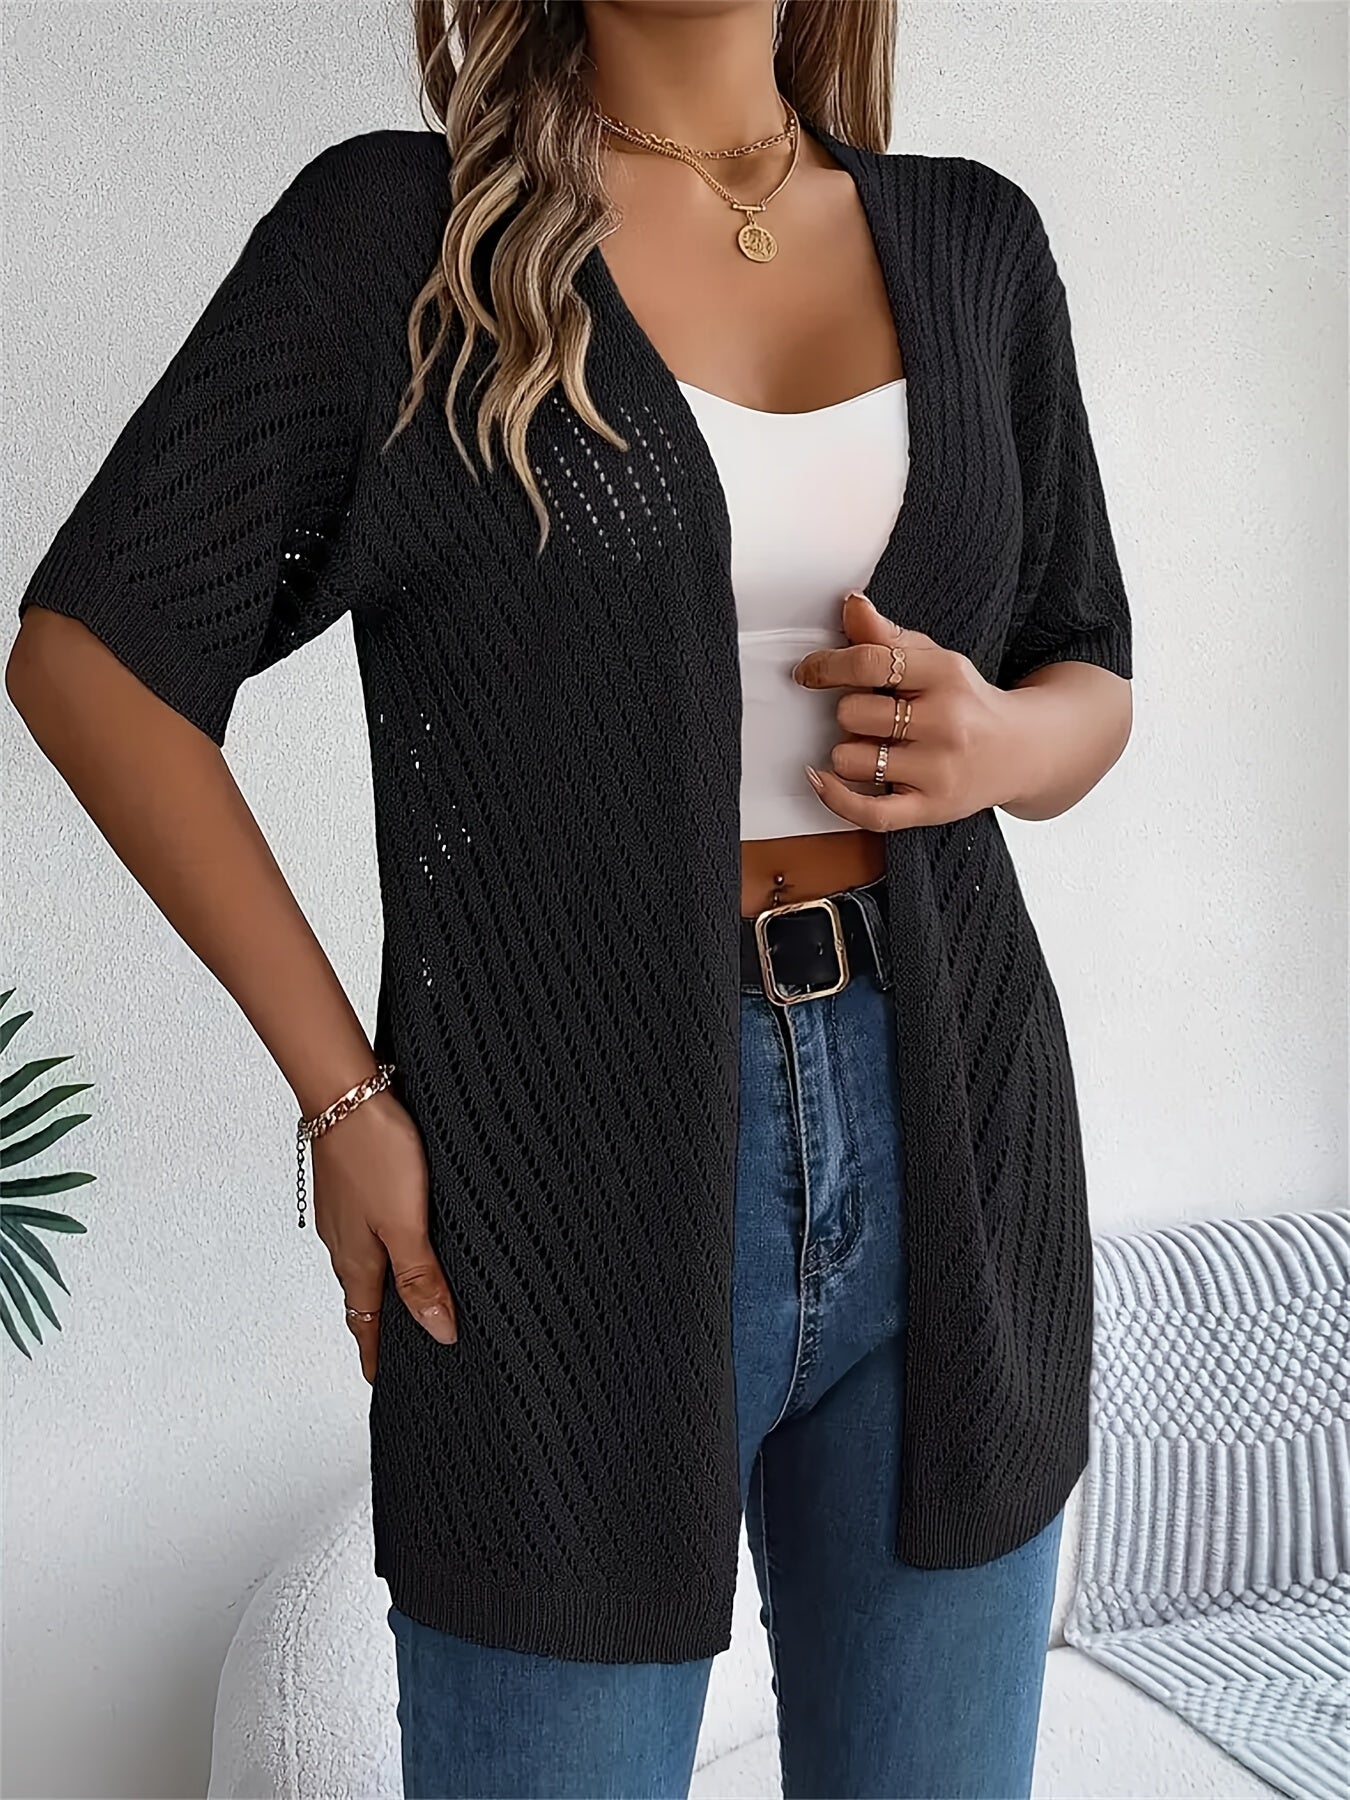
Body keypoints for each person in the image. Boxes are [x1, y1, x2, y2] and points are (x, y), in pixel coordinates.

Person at [7, 1, 1134, 1795]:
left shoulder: (972, 241)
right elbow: (93, 660)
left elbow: (1087, 669)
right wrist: (343, 1095)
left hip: (953, 1141)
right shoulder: (402, 238)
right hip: (551, 1180)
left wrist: (1000, 742)